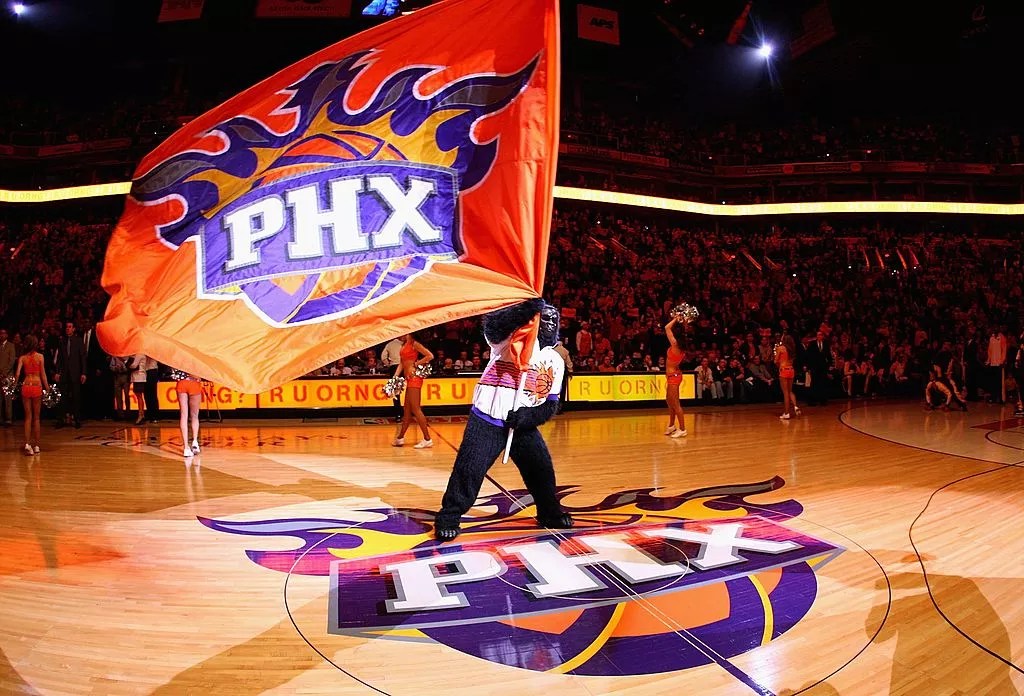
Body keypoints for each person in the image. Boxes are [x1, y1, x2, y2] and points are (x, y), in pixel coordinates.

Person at [434, 300, 570, 541]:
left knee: (541, 471)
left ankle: (549, 512)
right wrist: (525, 309)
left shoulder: (555, 361)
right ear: (533, 320)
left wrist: (528, 417)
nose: (550, 322)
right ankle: (449, 516)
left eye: (554, 319)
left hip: (522, 424)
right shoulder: (509, 341)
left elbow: (551, 404)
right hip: (487, 417)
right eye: (544, 317)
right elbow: (493, 327)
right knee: (469, 470)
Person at [391, 333, 434, 448]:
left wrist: (416, 364)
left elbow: (430, 356)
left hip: (415, 377)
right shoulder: (405, 345)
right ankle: (400, 438)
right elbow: (402, 363)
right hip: (408, 378)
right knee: (407, 410)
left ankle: (427, 439)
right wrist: (395, 376)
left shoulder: (415, 344)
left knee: (415, 409)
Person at [14, 335, 49, 455]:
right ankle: (37, 446)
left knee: (27, 417)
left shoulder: (22, 358)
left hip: (26, 386)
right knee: (37, 418)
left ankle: (27, 444)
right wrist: (48, 389)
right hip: (36, 386)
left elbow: (18, 374)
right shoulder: (40, 357)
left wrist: (13, 385)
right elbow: (43, 375)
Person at [55, 321, 86, 428]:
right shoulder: (62, 341)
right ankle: (61, 419)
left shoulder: (78, 341)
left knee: (76, 397)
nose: (68, 329)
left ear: (74, 329)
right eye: (66, 327)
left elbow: (82, 358)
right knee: (62, 397)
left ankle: (77, 419)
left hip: (75, 373)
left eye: (70, 327)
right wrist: (57, 372)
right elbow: (59, 358)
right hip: (64, 373)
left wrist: (83, 373)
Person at [664, 316, 687, 437]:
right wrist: (683, 322)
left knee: (676, 404)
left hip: (674, 376)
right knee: (669, 400)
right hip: (673, 375)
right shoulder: (681, 345)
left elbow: (666, 327)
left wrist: (675, 319)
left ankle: (682, 429)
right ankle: (671, 425)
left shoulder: (674, 344)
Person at [176, 372, 203, 458]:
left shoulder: (178, 358)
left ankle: (186, 448)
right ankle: (195, 441)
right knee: (194, 416)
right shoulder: (194, 359)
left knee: (183, 416)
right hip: (194, 383)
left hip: (181, 383)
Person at [775, 336, 801, 420]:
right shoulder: (792, 349)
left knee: (785, 393)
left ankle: (787, 413)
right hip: (791, 370)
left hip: (784, 370)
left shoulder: (780, 348)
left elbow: (775, 360)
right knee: (790, 391)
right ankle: (795, 406)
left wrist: (779, 364)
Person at [380, 337, 404, 422]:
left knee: (396, 393)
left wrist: (389, 364)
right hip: (405, 366)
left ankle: (398, 415)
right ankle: (406, 413)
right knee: (409, 390)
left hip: (394, 367)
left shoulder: (389, 344)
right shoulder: (404, 344)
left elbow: (383, 357)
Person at [0, 328, 15, 426]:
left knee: (8, 398)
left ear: (7, 335)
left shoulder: (11, 346)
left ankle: (8, 419)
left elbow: (12, 360)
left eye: (3, 333)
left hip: (7, 375)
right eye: (0, 333)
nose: (1, 335)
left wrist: (4, 373)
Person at [130, 353, 149, 424]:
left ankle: (140, 415)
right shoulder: (138, 355)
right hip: (138, 377)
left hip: (139, 377)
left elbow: (134, 365)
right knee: (139, 396)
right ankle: (141, 414)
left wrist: (126, 363)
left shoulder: (139, 355)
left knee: (139, 396)